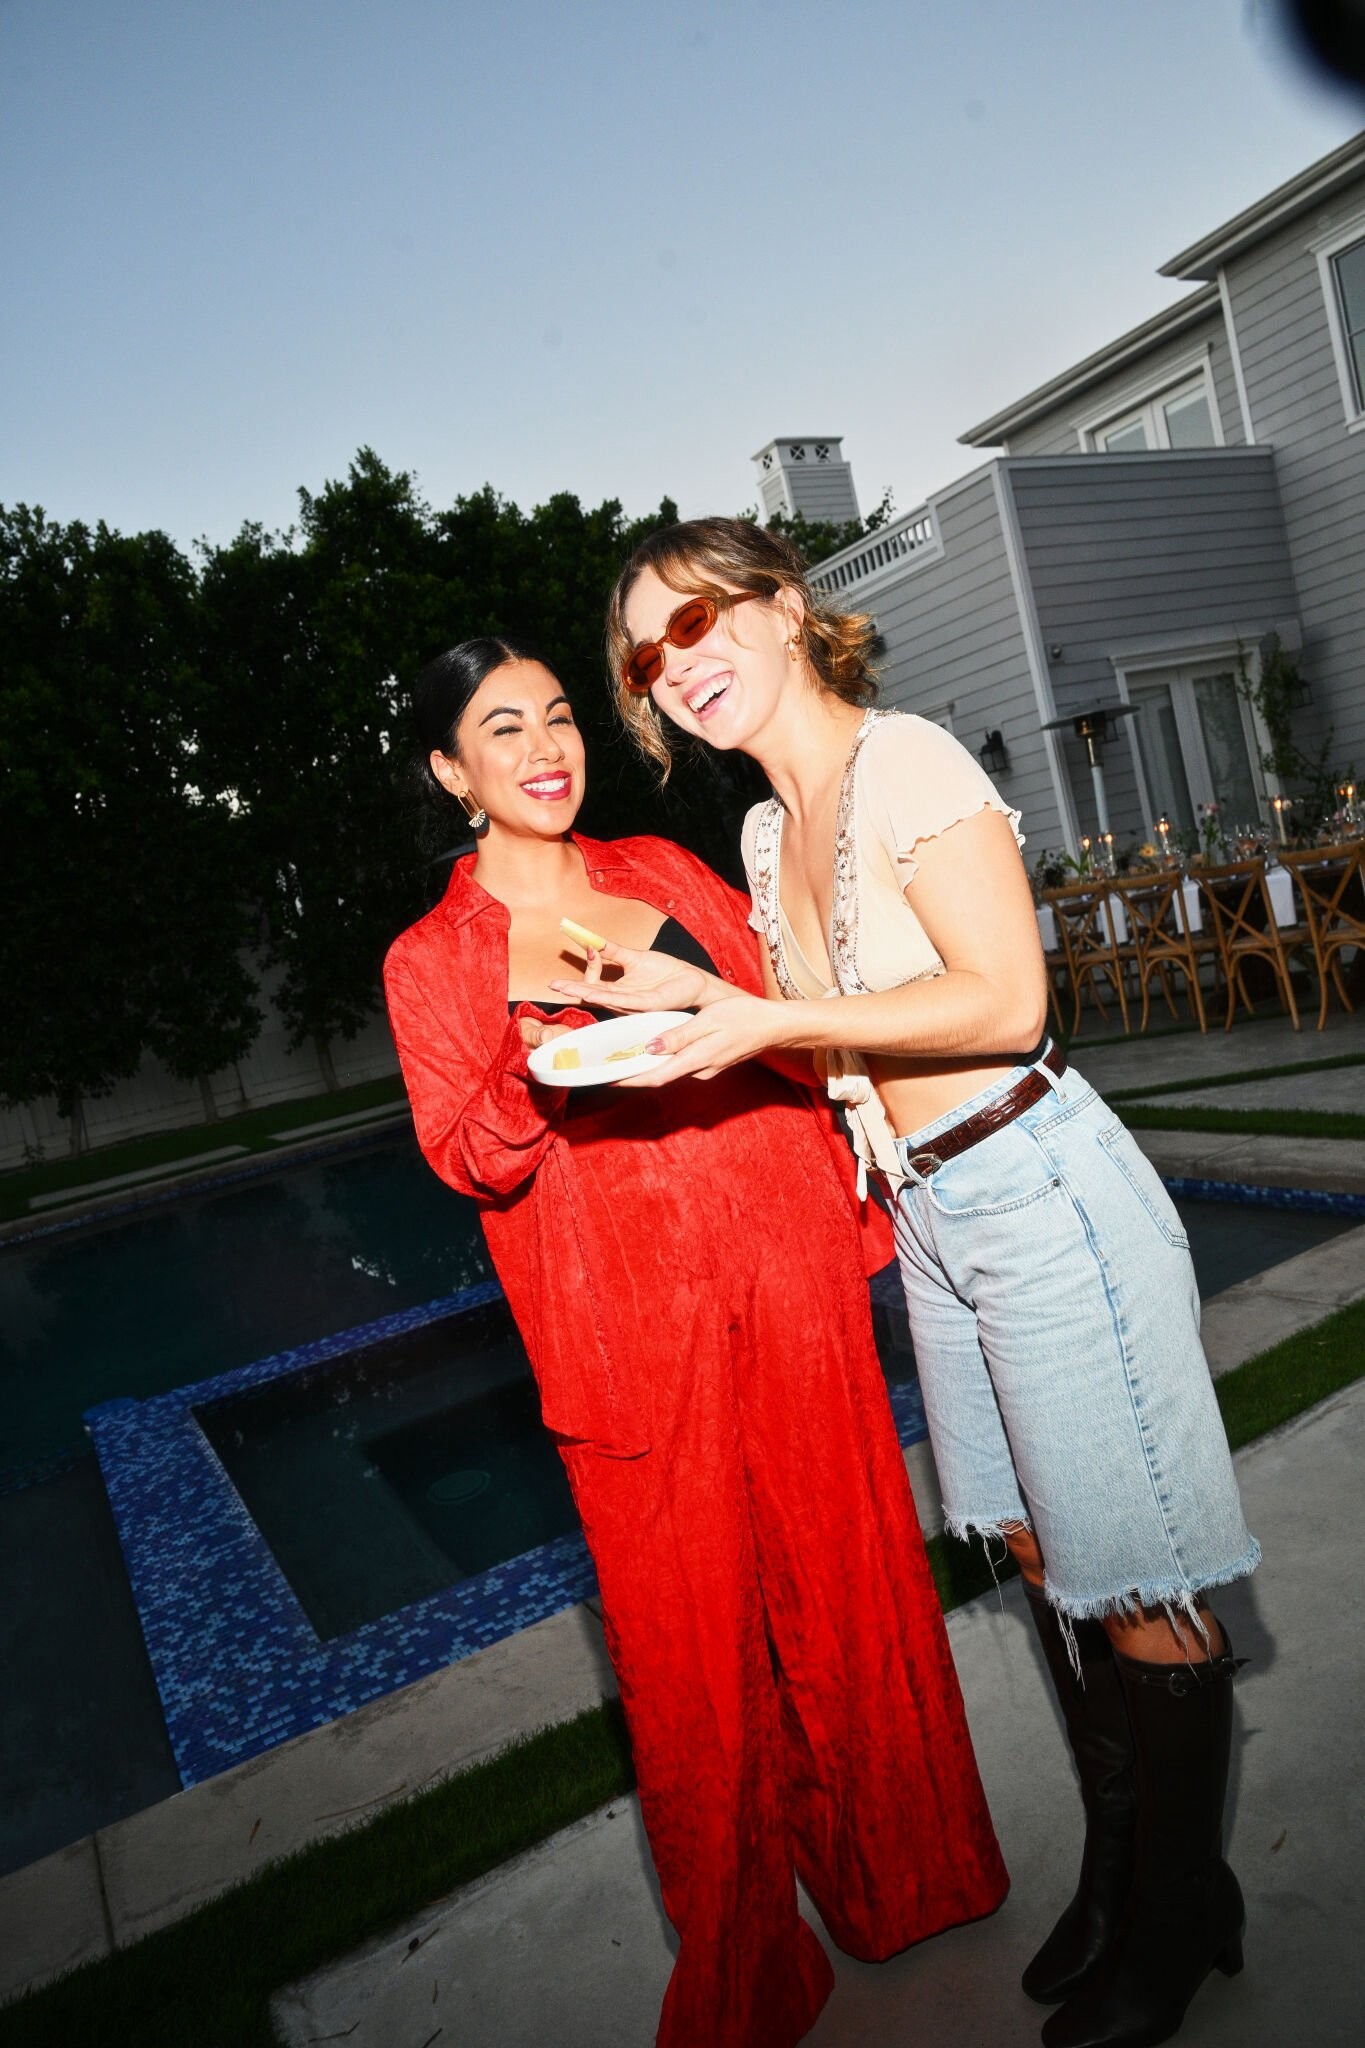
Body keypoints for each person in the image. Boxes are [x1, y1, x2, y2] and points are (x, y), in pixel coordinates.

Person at [554, 521, 1260, 2048]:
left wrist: (757, 1022)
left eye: (696, 622)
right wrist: (700, 1003)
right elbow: (830, 1037)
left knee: (1134, 1577)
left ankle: (1181, 1906)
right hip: (932, 1213)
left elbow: (1003, 1000)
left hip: (1038, 1188)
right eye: (645, 654)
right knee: (1038, 1549)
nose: (674, 665)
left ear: (781, 607)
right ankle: (1124, 1869)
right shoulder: (765, 833)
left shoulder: (911, 761)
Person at [382, 635, 1008, 2048]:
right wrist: (535, 1059)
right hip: (624, 1339)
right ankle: (747, 1958)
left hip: (785, 1277)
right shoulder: (434, 958)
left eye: (558, 716)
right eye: (502, 728)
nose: (545, 746)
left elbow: (792, 1034)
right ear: (450, 772)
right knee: (690, 1662)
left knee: (849, 1583)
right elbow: (467, 1154)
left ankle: (904, 1877)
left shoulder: (665, 874)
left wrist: (765, 1077)